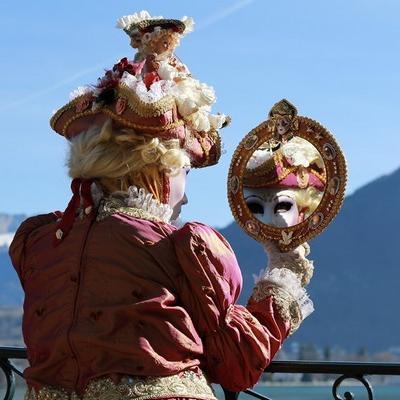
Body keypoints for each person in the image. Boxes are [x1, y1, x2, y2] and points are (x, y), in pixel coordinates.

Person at [9, 11, 314, 400]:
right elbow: (236, 362)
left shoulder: (39, 241)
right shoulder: (179, 247)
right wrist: (282, 278)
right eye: (184, 171)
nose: (185, 194)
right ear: (154, 168)